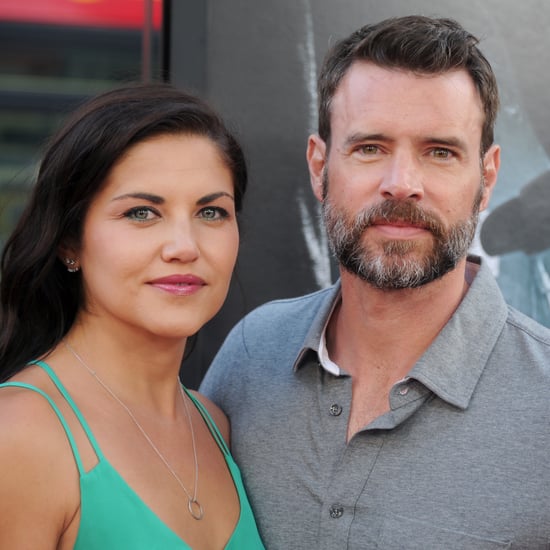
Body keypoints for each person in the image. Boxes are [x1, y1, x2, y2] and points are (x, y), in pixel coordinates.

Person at [200, 15, 550, 549]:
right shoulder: (251, 356)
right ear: (319, 166)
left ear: (487, 178)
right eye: (370, 148)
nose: (401, 184)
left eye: (440, 151)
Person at [0, 83, 264, 549]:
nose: (184, 246)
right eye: (142, 213)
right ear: (69, 242)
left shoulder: (214, 425)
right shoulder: (20, 435)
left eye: (211, 212)